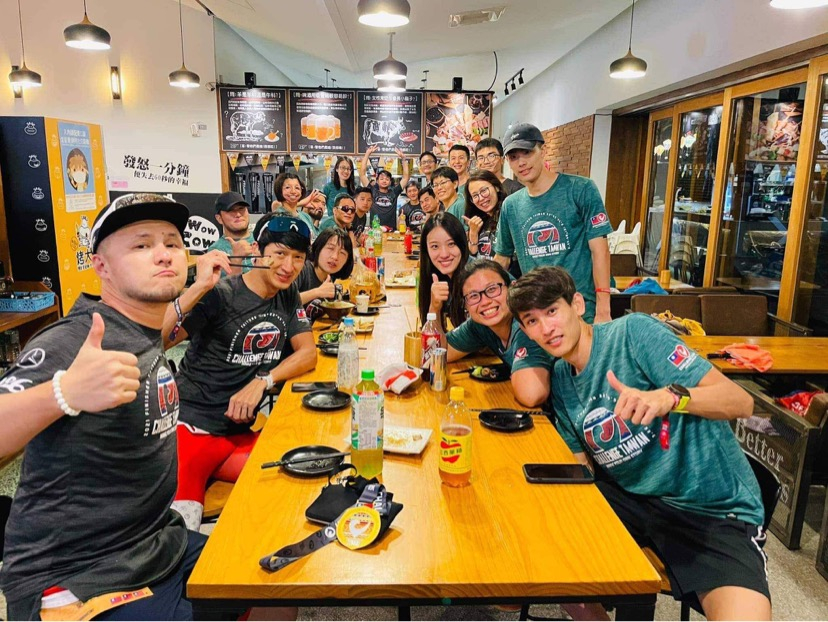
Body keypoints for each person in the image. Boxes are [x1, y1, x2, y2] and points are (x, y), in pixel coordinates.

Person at [0, 193, 231, 621]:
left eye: (172, 243)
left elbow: (157, 335)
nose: (163, 254)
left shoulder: (139, 327)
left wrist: (200, 286)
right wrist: (64, 392)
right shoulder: (73, 340)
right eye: (141, 245)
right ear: (101, 266)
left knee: (268, 579)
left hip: (155, 543)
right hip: (76, 575)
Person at [508, 266, 771, 621]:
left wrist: (670, 397)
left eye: (552, 311)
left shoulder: (633, 334)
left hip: (713, 511)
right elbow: (580, 469)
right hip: (635, 501)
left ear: (578, 305)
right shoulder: (561, 379)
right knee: (546, 547)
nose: (546, 328)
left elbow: (741, 402)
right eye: (532, 321)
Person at [167, 216, 317, 532]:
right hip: (191, 430)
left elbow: (308, 353)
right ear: (257, 251)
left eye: (297, 257)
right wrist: (199, 287)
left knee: (303, 476)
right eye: (279, 254)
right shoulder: (221, 294)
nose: (288, 266)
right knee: (181, 535)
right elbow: (159, 340)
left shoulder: (286, 294)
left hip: (236, 436)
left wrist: (264, 380)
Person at [494, 123, 612, 324]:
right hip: (536, 312)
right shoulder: (510, 205)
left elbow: (600, 251)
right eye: (513, 157)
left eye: (527, 152)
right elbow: (502, 259)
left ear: (543, 150)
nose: (521, 162)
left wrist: (603, 309)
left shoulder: (580, 189)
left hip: (580, 309)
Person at [447, 260, 552, 407]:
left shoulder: (525, 324)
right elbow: (439, 352)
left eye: (492, 289)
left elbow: (531, 395)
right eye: (473, 296)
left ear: (512, 288)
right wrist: (434, 308)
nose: (485, 302)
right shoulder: (480, 325)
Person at [418, 212, 469, 330]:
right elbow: (432, 338)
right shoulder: (438, 277)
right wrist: (434, 307)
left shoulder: (475, 279)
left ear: (462, 244)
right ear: (426, 250)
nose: (444, 254)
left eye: (451, 244)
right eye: (435, 246)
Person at [296, 227, 354, 305]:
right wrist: (317, 292)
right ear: (318, 248)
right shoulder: (302, 269)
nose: (335, 257)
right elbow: (283, 303)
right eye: (330, 248)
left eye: (342, 253)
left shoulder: (330, 277)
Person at [359, 144, 410, 229]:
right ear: (377, 181)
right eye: (381, 179)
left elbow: (405, 177)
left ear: (390, 182)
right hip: (375, 231)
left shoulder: (394, 192)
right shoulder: (372, 191)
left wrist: (403, 159)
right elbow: (362, 175)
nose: (384, 181)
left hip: (391, 231)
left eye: (387, 179)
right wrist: (367, 154)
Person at [207, 191, 254, 275]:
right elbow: (224, 283)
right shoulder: (216, 251)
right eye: (231, 210)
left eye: (241, 208)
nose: (238, 214)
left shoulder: (262, 238)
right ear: (219, 219)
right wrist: (236, 258)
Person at [463, 170, 506, 261]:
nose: (481, 198)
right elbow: (473, 255)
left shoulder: (507, 214)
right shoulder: (478, 221)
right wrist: (473, 234)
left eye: (483, 191)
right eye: (475, 196)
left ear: (496, 187)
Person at [271, 172, 319, 238]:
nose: (293, 191)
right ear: (280, 190)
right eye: (287, 187)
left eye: (297, 188)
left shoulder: (306, 217)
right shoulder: (277, 216)